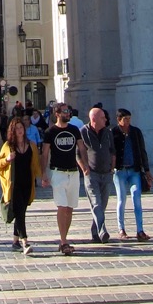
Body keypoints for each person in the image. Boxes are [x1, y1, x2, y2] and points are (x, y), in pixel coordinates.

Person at [40, 102, 90, 255]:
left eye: (68, 111)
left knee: (69, 209)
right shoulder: (50, 132)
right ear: (57, 113)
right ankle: (63, 241)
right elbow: (45, 154)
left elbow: (81, 148)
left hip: (73, 172)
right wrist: (44, 174)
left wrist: (86, 165)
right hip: (58, 173)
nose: (68, 114)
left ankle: (65, 238)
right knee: (62, 207)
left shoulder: (74, 130)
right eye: (65, 111)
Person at [0, 116, 41, 255]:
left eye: (21, 128)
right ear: (12, 131)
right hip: (14, 184)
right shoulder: (8, 146)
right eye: (16, 129)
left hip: (28, 183)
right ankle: (24, 242)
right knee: (20, 213)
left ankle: (15, 241)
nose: (20, 131)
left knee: (21, 212)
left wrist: (42, 177)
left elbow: (35, 164)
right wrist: (7, 159)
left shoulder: (31, 145)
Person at [111, 108, 152, 241]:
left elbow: (142, 150)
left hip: (134, 170)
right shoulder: (113, 132)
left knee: (137, 199)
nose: (128, 121)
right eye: (125, 119)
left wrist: (146, 170)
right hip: (120, 171)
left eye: (129, 119)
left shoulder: (135, 132)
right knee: (121, 200)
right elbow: (111, 152)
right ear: (119, 120)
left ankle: (140, 230)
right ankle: (121, 229)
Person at [80, 106, 114, 243]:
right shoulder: (83, 132)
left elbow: (112, 150)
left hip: (106, 173)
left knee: (103, 204)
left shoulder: (108, 132)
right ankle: (102, 230)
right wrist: (84, 168)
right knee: (96, 203)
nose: (105, 119)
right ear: (94, 119)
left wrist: (113, 166)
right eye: (102, 117)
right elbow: (78, 153)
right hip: (91, 173)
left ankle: (95, 231)